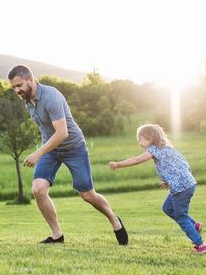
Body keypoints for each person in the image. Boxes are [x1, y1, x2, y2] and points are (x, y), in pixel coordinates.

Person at [7, 65, 128, 245]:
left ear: (30, 79)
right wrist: (45, 150)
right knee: (38, 190)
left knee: (87, 195)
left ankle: (114, 220)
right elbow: (45, 129)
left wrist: (38, 153)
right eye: (13, 87)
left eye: (19, 85)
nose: (17, 90)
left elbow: (62, 133)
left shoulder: (51, 97)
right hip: (52, 150)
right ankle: (57, 235)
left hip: (74, 148)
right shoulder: (27, 101)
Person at [108, 123, 206, 254]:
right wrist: (169, 180)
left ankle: (200, 245)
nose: (139, 143)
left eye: (141, 139)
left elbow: (137, 160)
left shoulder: (154, 150)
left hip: (181, 188)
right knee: (167, 208)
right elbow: (183, 165)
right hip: (187, 184)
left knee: (181, 217)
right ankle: (194, 225)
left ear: (149, 138)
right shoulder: (167, 148)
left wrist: (118, 164)